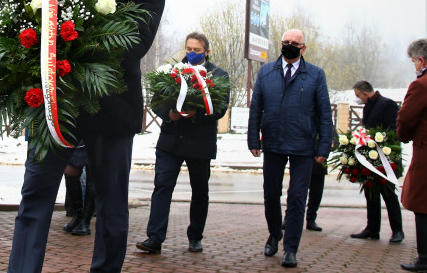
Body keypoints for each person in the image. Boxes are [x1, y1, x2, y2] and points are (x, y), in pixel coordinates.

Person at [7, 0, 166, 273]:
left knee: (111, 205)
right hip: (53, 100)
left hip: (110, 102)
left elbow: (137, 38)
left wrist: (76, 53)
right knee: (35, 197)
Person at [136, 32, 230, 255]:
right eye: (188, 49)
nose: (191, 53)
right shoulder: (172, 71)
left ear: (207, 52)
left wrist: (196, 113)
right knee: (162, 188)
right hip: (171, 141)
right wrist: (169, 113)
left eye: (197, 50)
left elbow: (220, 108)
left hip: (200, 144)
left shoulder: (218, 75)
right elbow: (156, 101)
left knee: (200, 192)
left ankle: (195, 237)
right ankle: (155, 238)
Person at [247, 29, 333, 268]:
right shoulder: (266, 72)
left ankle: (291, 248)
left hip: (303, 145)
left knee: (297, 197)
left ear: (303, 48)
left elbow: (325, 114)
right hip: (273, 142)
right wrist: (254, 139)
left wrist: (323, 147)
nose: (289, 45)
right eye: (286, 42)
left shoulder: (316, 75)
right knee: (271, 194)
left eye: (295, 43)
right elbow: (256, 109)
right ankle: (275, 234)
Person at [349, 80, 404, 243]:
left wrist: (377, 144)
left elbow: (394, 132)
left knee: (388, 195)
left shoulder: (387, 104)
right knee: (370, 193)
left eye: (358, 95)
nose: (358, 99)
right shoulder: (368, 106)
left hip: (386, 159)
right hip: (370, 159)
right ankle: (372, 228)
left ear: (365, 93)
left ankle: (397, 231)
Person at [397, 39, 427, 272]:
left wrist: (402, 135)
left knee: (422, 204)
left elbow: (406, 118)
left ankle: (424, 258)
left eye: (413, 62)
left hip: (425, 154)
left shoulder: (421, 85)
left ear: (422, 60)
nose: (414, 67)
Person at [61, 144, 94, 236]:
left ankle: (85, 221)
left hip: (98, 136)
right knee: (69, 171)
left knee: (93, 175)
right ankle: (77, 215)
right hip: (78, 137)